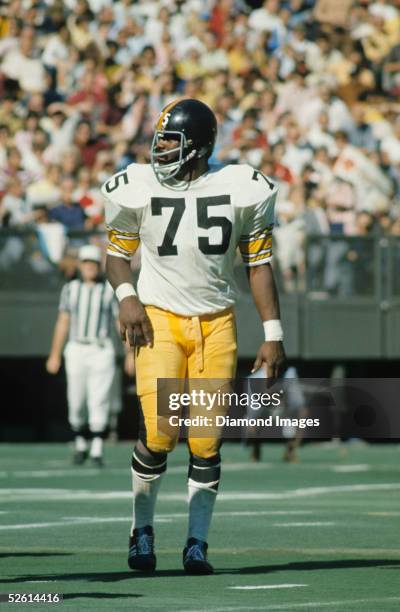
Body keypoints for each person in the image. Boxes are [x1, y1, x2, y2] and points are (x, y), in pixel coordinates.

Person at [101, 98, 286, 575]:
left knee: (205, 441)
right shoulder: (137, 187)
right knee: (159, 434)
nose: (159, 149)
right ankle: (141, 529)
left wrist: (273, 333)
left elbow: (258, 263)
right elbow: (116, 255)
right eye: (159, 139)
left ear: (199, 147)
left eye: (169, 141)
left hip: (217, 324)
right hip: (158, 321)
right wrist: (126, 295)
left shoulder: (241, 187)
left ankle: (196, 543)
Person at [45, 244, 127, 466]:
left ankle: (97, 449)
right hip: (77, 348)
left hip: (101, 349)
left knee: (99, 398)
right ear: (80, 265)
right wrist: (55, 354)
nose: (89, 267)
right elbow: (63, 322)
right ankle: (81, 444)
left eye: (93, 263)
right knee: (76, 398)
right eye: (86, 263)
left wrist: (129, 353)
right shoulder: (70, 289)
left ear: (98, 266)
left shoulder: (108, 290)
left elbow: (121, 323)